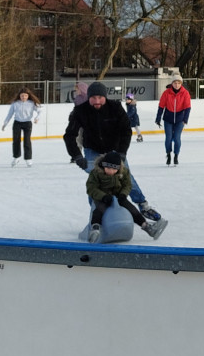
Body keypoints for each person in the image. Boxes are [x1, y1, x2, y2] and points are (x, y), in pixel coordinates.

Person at [65, 81, 162, 222]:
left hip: (115, 149)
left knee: (125, 176)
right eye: (93, 98)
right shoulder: (80, 111)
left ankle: (143, 205)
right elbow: (69, 135)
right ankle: (96, 212)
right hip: (92, 149)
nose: (97, 101)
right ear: (88, 97)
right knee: (95, 178)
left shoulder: (115, 107)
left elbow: (126, 131)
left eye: (100, 98)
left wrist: (122, 152)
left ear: (105, 97)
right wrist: (77, 156)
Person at [85, 151, 168, 243]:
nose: (110, 171)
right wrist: (103, 196)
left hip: (118, 196)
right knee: (99, 210)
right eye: (107, 167)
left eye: (114, 169)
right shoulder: (96, 173)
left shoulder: (124, 172)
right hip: (102, 197)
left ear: (118, 168)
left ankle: (147, 227)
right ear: (103, 165)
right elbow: (91, 188)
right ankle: (95, 229)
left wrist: (123, 194)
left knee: (132, 210)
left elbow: (127, 185)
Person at [155, 74, 191, 166]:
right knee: (168, 138)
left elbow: (187, 107)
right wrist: (158, 118)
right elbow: (161, 106)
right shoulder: (166, 93)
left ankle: (176, 155)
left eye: (179, 83)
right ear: (172, 83)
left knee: (177, 138)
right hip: (168, 119)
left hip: (180, 119)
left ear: (181, 84)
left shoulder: (185, 93)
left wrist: (185, 119)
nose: (177, 85)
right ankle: (168, 154)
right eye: (175, 82)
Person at [1, 87, 42, 167]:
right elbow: (10, 114)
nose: (24, 97)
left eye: (25, 96)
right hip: (17, 123)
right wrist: (5, 124)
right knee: (16, 141)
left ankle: (28, 158)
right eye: (22, 96)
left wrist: (37, 118)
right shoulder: (15, 103)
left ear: (28, 96)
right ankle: (16, 157)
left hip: (27, 123)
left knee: (27, 141)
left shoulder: (32, 103)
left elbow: (40, 111)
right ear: (19, 96)